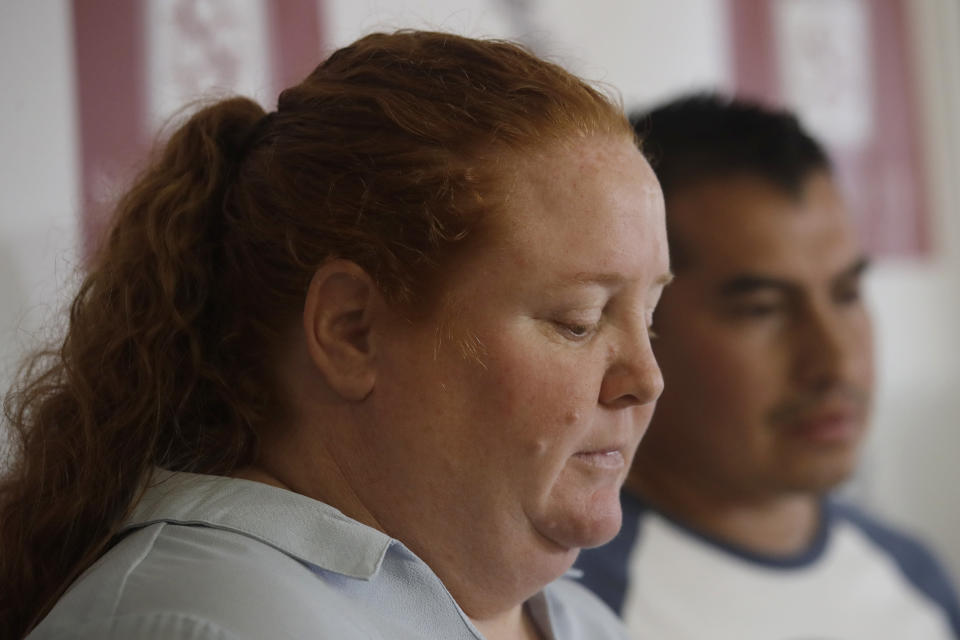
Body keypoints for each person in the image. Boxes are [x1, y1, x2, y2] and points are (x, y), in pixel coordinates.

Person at [0, 30, 671, 640]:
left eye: (650, 317)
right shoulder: (198, 623)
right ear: (351, 331)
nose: (646, 378)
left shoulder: (584, 622)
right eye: (577, 321)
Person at [574, 94, 960, 639]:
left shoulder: (915, 579)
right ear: (640, 319)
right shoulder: (564, 607)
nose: (835, 360)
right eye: (763, 310)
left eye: (847, 293)